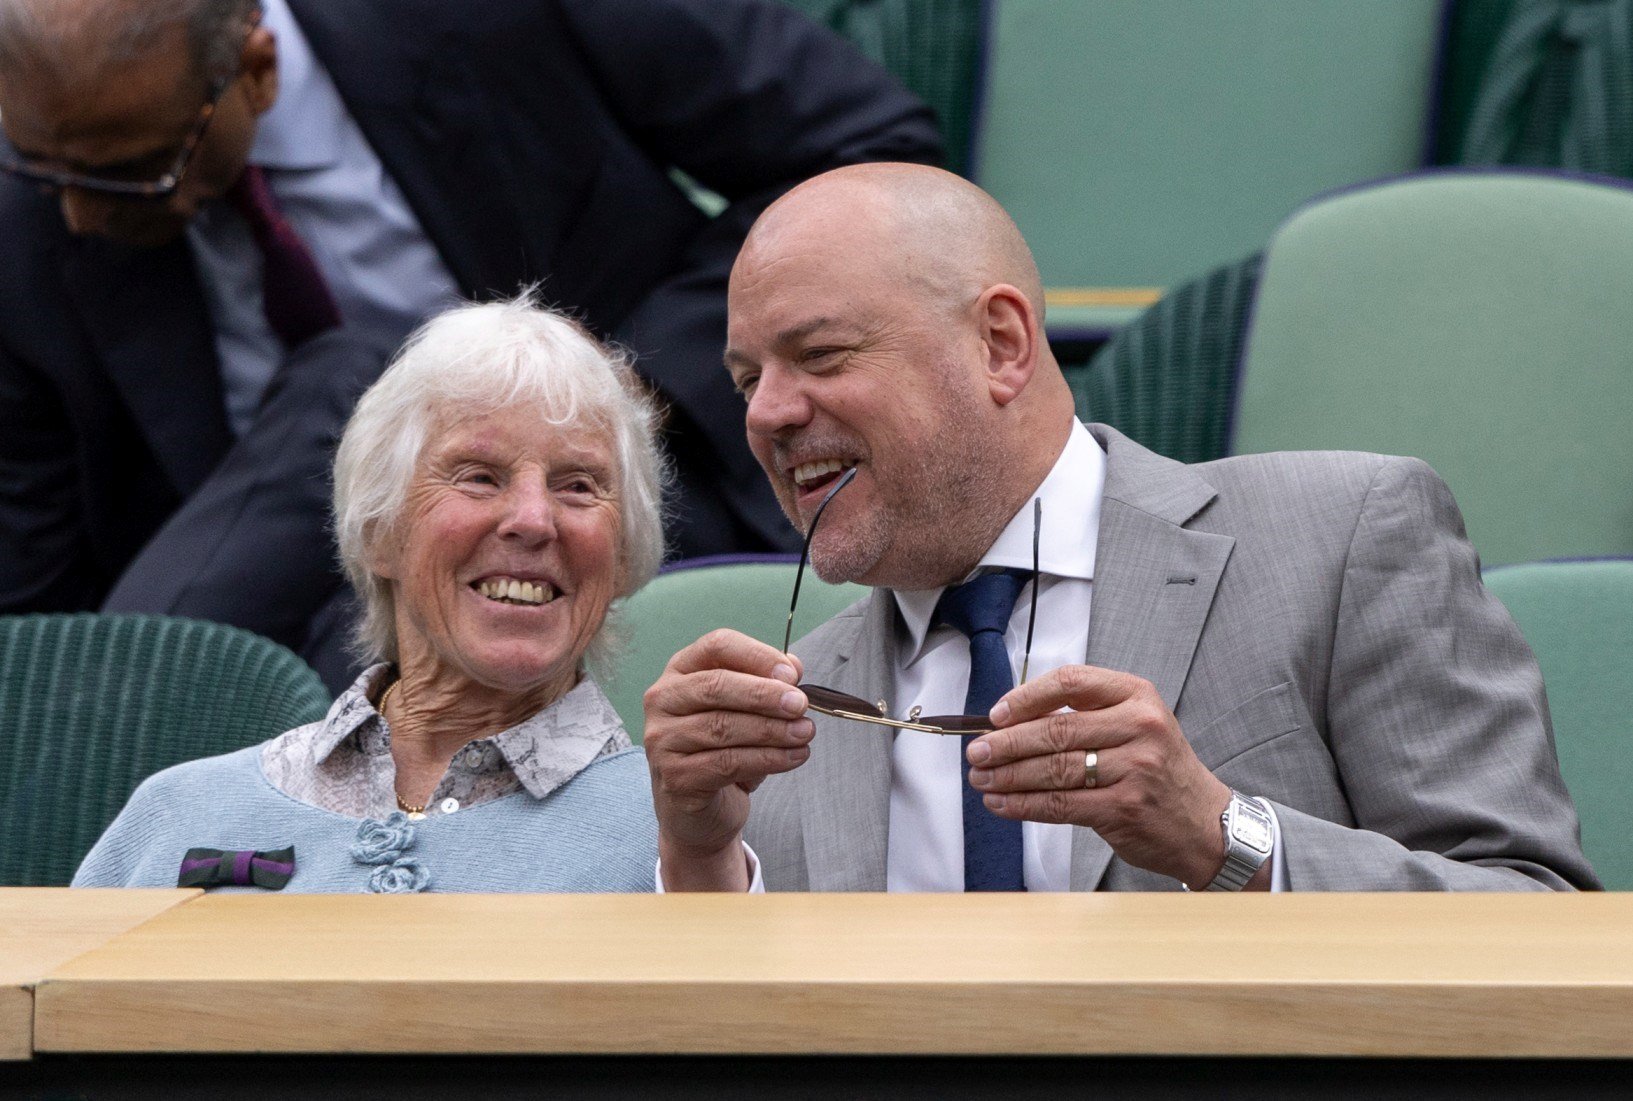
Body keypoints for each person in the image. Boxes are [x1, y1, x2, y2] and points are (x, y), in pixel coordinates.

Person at [642, 163, 1599, 893]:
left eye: (820, 354)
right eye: (744, 380)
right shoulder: (781, 711)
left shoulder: (1345, 536)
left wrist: (1222, 835)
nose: (765, 414)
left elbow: (1537, 919)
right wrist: (698, 852)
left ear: (1001, 343)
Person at [0, 0, 941, 690]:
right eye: (43, 170)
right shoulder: (34, 216)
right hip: (290, 582)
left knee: (365, 370)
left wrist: (611, 370)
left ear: (256, 67)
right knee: (358, 399)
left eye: (135, 173)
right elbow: (31, 575)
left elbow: (871, 151)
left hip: (595, 496)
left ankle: (105, 698)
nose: (78, 215)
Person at [75, 298, 664, 892]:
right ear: (380, 531)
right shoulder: (183, 812)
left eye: (579, 486)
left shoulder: (681, 834)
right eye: (479, 477)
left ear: (620, 558)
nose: (534, 519)